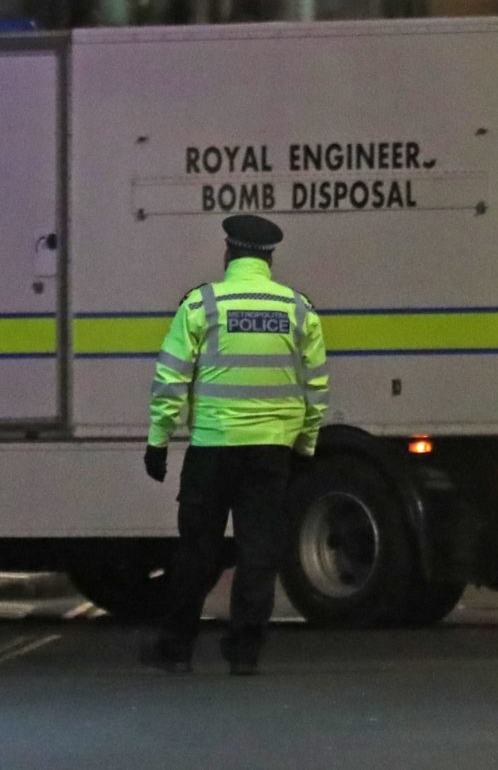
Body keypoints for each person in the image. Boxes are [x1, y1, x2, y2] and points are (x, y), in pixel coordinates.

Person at [141, 213, 330, 675]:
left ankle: (177, 648)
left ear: (229, 254)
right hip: (270, 451)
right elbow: (316, 387)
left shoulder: (202, 305)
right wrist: (304, 445)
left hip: (212, 448)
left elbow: (171, 378)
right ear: (270, 257)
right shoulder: (298, 308)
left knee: (197, 550)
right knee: (259, 550)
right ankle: (245, 651)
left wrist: (158, 441)